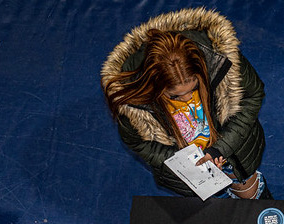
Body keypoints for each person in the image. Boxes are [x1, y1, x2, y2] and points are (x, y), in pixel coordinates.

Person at [101, 7, 270, 199]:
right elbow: (141, 144)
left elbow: (252, 96)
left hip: (233, 150)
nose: (187, 98)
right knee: (216, 214)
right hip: (193, 174)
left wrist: (220, 148)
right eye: (175, 96)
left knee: (250, 197)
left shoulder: (222, 59)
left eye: (194, 88)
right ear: (153, 86)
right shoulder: (132, 99)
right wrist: (186, 164)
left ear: (200, 70)